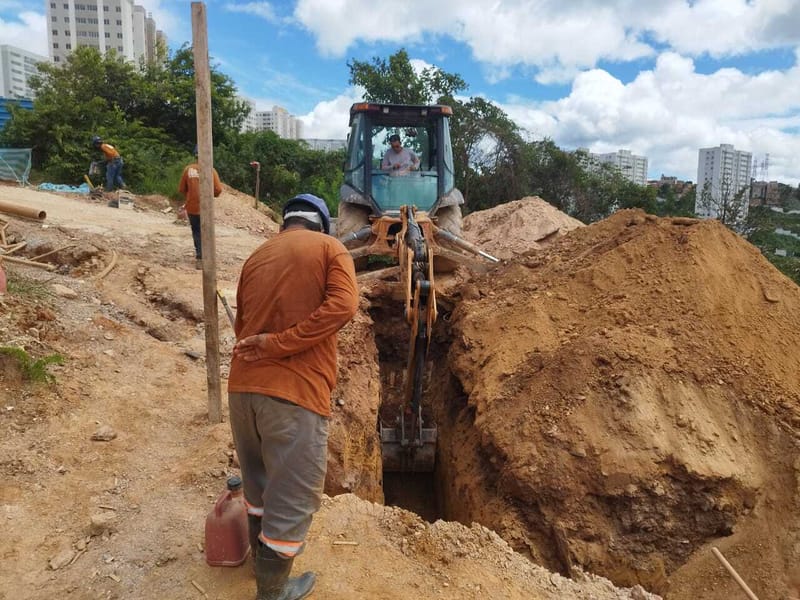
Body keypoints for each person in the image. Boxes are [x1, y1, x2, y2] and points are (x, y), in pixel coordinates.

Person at [227, 193, 358, 600]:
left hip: (242, 392)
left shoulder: (256, 256)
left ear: (284, 224)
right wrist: (282, 344)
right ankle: (273, 591)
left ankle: (259, 566)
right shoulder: (330, 248)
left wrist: (266, 345)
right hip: (293, 394)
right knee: (293, 496)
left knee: (258, 483)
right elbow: (345, 305)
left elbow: (243, 325)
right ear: (322, 224)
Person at [177, 152, 223, 270]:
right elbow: (218, 190)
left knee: (197, 231)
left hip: (192, 208)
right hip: (207, 208)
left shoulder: (188, 169)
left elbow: (182, 189)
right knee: (207, 232)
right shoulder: (211, 170)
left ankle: (200, 258)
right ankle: (209, 258)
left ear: (196, 156)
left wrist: (191, 195)